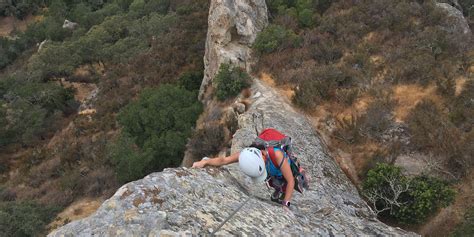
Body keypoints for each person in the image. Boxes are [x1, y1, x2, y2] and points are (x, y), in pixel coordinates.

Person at [192, 146, 296, 208]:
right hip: (273, 173)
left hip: (282, 171)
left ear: (263, 159)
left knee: (284, 184)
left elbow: (291, 180)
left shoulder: (277, 155)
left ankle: (283, 187)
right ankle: (278, 188)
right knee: (274, 183)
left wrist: (286, 204)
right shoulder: (245, 155)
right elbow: (224, 160)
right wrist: (206, 161)